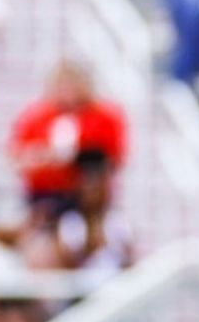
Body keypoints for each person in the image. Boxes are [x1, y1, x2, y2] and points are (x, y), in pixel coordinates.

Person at [8, 62, 128, 219]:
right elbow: (17, 157)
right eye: (62, 86)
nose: (68, 92)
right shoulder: (36, 117)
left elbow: (114, 159)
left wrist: (80, 156)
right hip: (45, 197)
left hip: (90, 200)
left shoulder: (104, 117)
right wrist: (45, 157)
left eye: (72, 85)